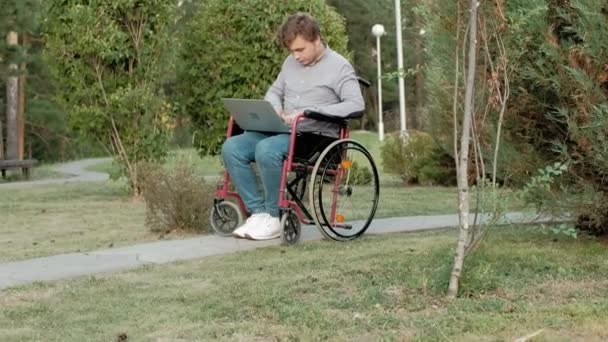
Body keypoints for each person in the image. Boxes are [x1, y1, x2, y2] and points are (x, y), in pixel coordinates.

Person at [222, 12, 364, 240]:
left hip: (313, 136)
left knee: (266, 150)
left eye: (301, 50)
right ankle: (259, 213)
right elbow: (275, 91)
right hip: (282, 130)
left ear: (316, 39)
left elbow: (356, 104)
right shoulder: (290, 63)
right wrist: (276, 107)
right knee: (233, 147)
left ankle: (274, 215)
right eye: (292, 51)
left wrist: (310, 112)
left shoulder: (340, 66)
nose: (295, 56)